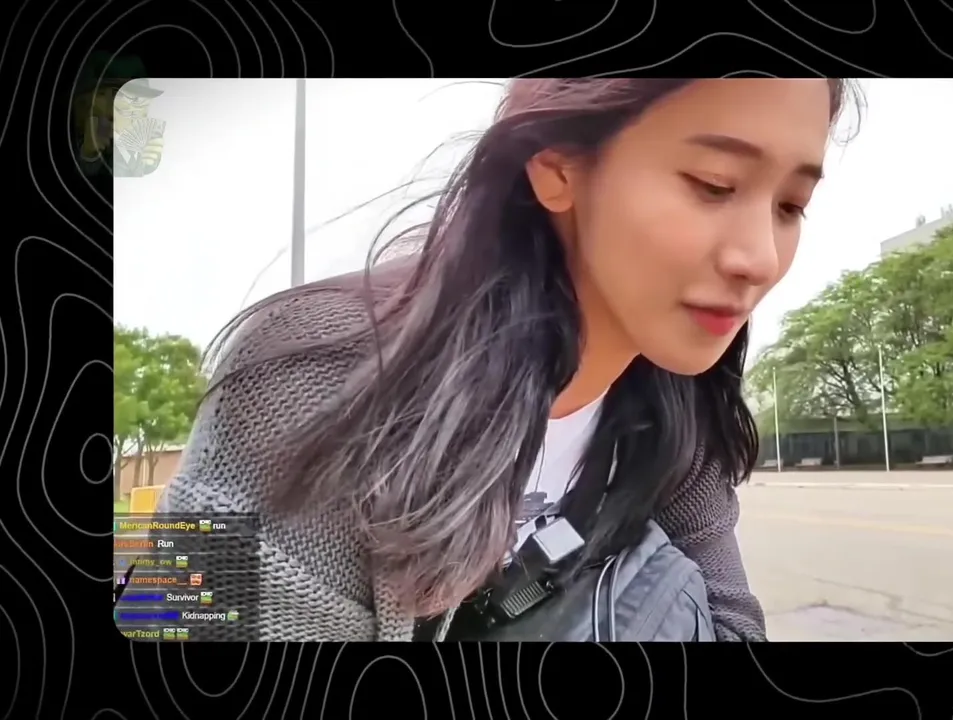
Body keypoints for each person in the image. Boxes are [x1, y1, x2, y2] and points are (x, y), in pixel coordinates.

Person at [155, 78, 858, 641]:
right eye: (713, 184)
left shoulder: (678, 412)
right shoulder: (302, 374)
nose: (760, 258)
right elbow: (178, 619)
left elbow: (734, 625)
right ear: (557, 168)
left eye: (790, 205)